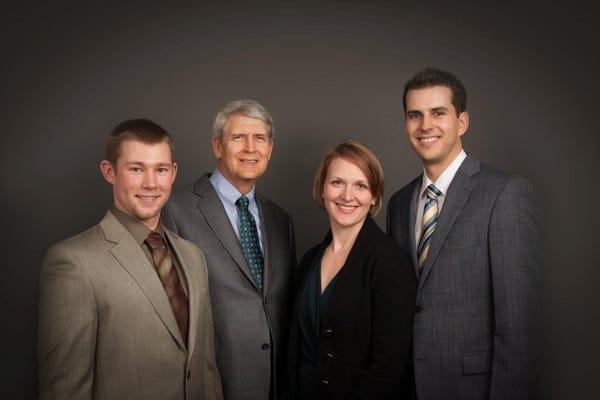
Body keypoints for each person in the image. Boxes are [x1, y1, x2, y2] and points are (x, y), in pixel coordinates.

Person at [38, 119, 223, 400]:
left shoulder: (193, 256)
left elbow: (206, 370)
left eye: (160, 170)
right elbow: (65, 390)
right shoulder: (73, 263)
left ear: (173, 173)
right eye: (136, 169)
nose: (150, 183)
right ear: (109, 171)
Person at [387, 67, 538, 399]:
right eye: (415, 115)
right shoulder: (398, 204)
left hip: (475, 387)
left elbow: (516, 325)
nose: (425, 125)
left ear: (462, 122)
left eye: (438, 113)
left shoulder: (505, 193)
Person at [162, 99, 296, 400]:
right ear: (217, 146)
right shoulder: (175, 210)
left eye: (260, 138)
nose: (251, 148)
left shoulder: (280, 220)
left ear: (270, 149)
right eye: (238, 138)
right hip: (213, 385)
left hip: (278, 386)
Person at [288, 140, 416, 400]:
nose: (347, 196)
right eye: (337, 183)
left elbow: (389, 368)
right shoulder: (310, 260)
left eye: (360, 185)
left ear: (374, 197)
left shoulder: (389, 261)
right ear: (322, 189)